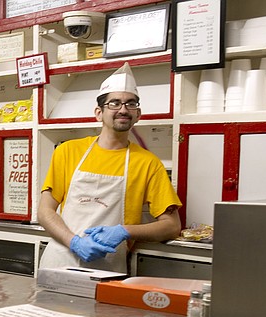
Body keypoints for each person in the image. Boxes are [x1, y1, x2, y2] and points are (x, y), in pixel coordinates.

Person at [37, 62, 182, 273]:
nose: (123, 109)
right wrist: (74, 242)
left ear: (138, 114)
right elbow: (45, 211)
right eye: (115, 103)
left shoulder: (148, 163)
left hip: (108, 267)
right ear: (99, 113)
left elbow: (171, 226)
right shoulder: (68, 151)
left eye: (131, 104)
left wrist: (124, 231)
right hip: (60, 260)